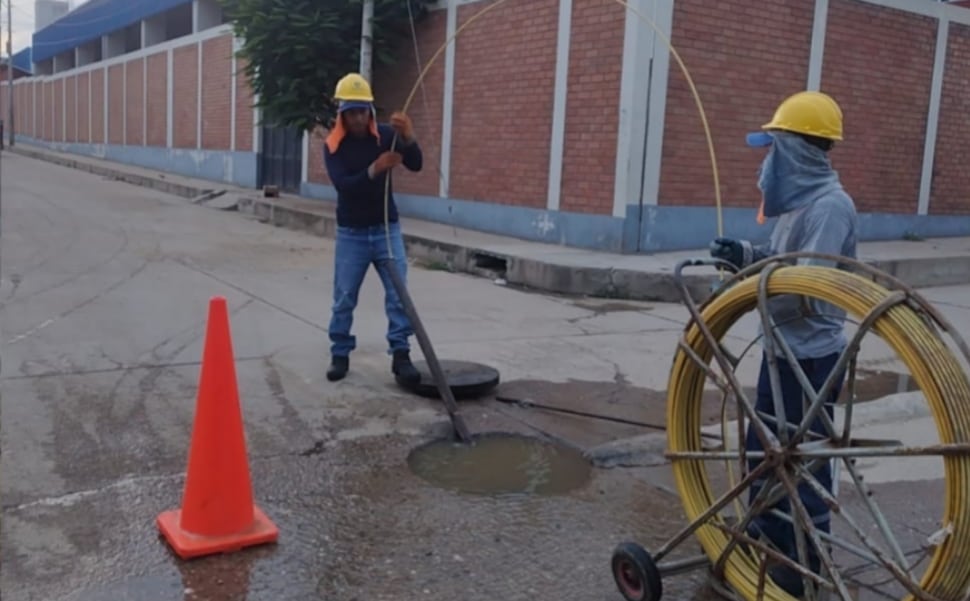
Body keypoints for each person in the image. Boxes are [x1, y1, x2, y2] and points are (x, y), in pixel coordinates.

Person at [709, 90, 858, 596]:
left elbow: (807, 289)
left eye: (774, 148)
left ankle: (804, 559)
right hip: (779, 353)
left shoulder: (831, 208)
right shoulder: (796, 206)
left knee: (802, 461)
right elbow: (780, 259)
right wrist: (746, 254)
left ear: (796, 151)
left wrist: (749, 286)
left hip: (809, 360)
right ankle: (767, 533)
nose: (767, 161)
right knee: (764, 451)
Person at [322, 72, 423, 384]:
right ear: (341, 113)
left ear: (370, 110)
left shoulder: (386, 135)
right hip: (352, 233)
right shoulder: (334, 146)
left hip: (386, 230)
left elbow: (416, 163)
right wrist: (375, 168)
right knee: (344, 297)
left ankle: (401, 355)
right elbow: (344, 185)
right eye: (351, 112)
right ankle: (340, 353)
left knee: (398, 295)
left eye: (363, 110)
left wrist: (408, 137)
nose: (357, 118)